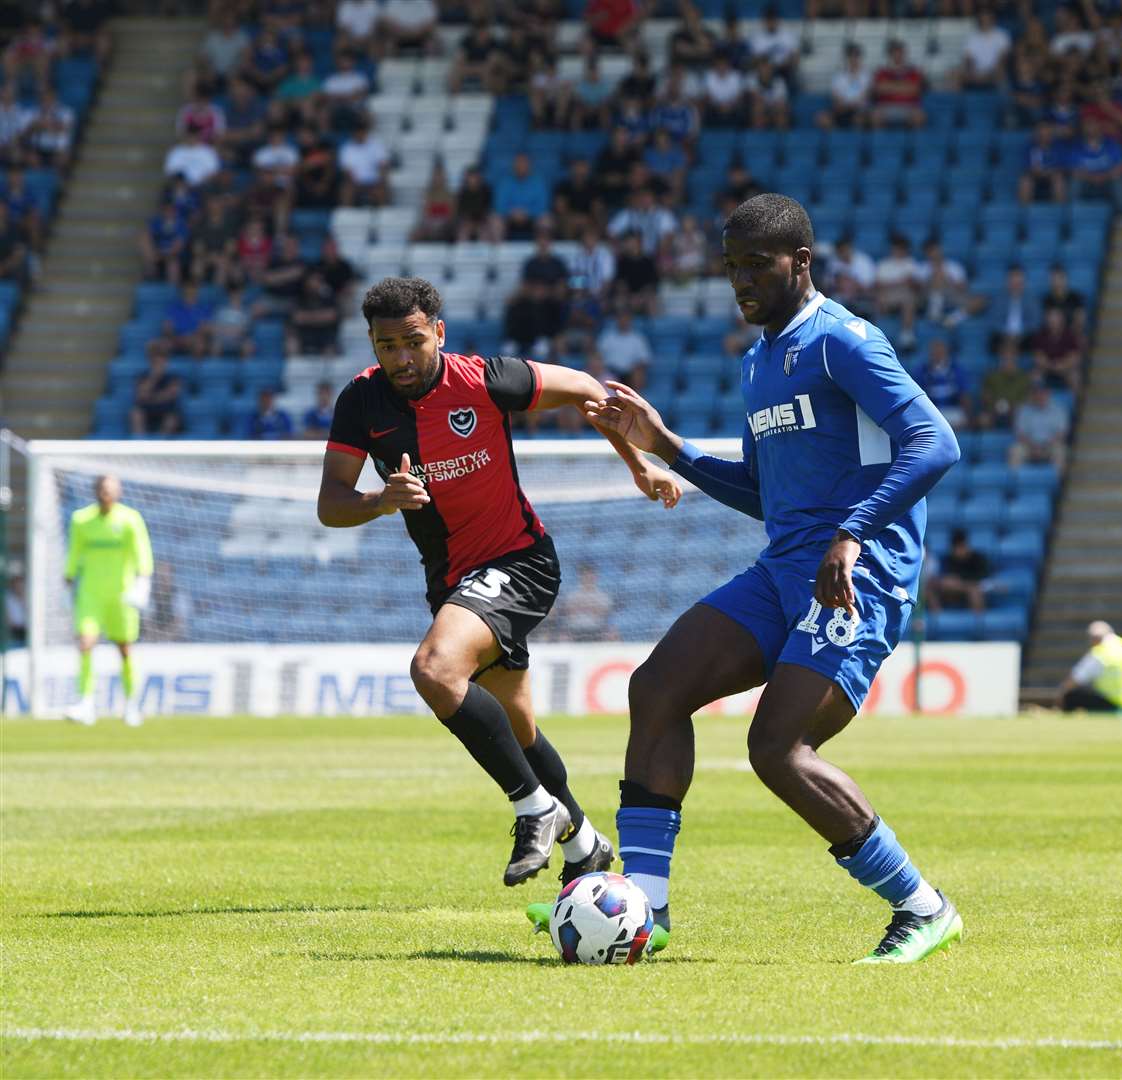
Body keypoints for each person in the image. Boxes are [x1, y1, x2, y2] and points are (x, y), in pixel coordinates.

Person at [551, 193, 964, 964]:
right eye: (730, 265)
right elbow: (763, 494)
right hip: (784, 569)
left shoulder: (845, 342)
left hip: (855, 575)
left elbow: (934, 444)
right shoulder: (758, 360)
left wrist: (850, 534)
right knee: (658, 687)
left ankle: (923, 905)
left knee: (777, 748)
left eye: (756, 265)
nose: (740, 280)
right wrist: (664, 445)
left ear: (799, 263)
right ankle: (649, 908)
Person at [317, 276, 681, 889]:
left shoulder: (487, 379)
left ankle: (533, 807)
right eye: (386, 347)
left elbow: (590, 391)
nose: (401, 359)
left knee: (434, 668)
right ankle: (587, 844)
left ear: (438, 331)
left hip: (520, 562)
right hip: (454, 582)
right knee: (517, 727)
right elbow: (330, 503)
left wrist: (639, 465)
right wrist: (380, 501)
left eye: (412, 342)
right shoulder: (361, 403)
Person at [63, 476, 154, 727]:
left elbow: (142, 552)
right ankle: (86, 702)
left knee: (124, 649)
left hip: (121, 595)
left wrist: (143, 581)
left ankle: (131, 703)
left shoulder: (130, 519)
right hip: (91, 594)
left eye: (111, 490)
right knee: (85, 643)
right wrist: (68, 579)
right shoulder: (81, 520)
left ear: (119, 492)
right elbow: (74, 552)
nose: (106, 494)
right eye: (103, 489)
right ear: (96, 491)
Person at [1056, 621, 1122, 713]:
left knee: (1070, 696)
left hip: (1114, 704)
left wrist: (1061, 694)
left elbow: (1076, 679)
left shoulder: (1101, 652)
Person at [924, 528, 991, 613]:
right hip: (952, 591)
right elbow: (943, 579)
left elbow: (983, 578)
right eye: (956, 547)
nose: (959, 550)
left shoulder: (978, 559)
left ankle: (979, 624)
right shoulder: (948, 560)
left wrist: (961, 582)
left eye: (961, 546)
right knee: (931, 589)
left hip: (974, 589)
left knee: (974, 591)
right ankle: (939, 621)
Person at [1008, 380, 1069, 472]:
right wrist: (1033, 446)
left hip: (1050, 446)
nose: (1039, 396)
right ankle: (1015, 481)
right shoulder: (1024, 411)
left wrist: (1045, 446)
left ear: (1048, 394)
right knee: (1015, 451)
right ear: (1032, 395)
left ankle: (1057, 482)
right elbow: (1020, 433)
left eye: (1042, 393)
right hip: (1028, 446)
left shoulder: (1058, 411)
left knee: (1060, 451)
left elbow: (1061, 433)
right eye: (1036, 393)